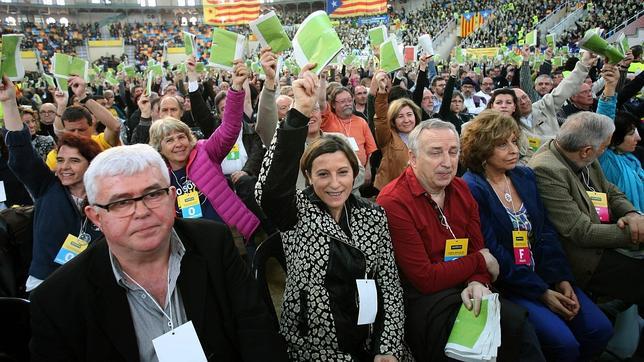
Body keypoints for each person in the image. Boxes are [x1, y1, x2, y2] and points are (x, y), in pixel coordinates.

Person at [29, 143, 287, 361]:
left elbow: (256, 330)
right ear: (95, 217)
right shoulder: (57, 299)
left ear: (172, 197)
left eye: (153, 194)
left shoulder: (213, 243)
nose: (141, 212)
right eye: (121, 202)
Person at [256, 65, 404, 361]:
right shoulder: (295, 211)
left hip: (369, 338)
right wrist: (297, 113)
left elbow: (389, 284)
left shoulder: (373, 216)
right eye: (323, 174)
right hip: (314, 345)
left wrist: (387, 348)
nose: (335, 184)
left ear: (355, 174)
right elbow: (269, 191)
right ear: (309, 177)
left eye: (343, 173)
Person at [377, 119, 544, 361]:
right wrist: (479, 262)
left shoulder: (461, 188)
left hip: (468, 286)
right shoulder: (394, 201)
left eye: (453, 152)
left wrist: (478, 281)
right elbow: (426, 278)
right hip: (427, 301)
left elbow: (478, 245)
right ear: (412, 158)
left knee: (520, 333)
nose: (447, 162)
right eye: (435, 153)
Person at [461, 110, 612, 362]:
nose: (513, 149)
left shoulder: (524, 175)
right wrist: (542, 292)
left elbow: (545, 233)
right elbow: (494, 251)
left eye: (513, 140)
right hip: (509, 285)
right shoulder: (472, 187)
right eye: (502, 144)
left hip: (545, 274)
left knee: (599, 329)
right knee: (564, 345)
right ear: (481, 149)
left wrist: (561, 278)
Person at [0, 76, 104, 291]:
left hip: (90, 287)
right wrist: (9, 101)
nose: (64, 167)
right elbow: (21, 153)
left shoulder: (105, 197)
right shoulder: (47, 186)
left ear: (91, 164)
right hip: (45, 285)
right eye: (60, 160)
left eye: (74, 161)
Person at [529, 111, 644, 304]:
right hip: (586, 257)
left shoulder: (580, 152)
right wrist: (636, 233)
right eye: (605, 147)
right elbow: (581, 232)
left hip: (606, 232)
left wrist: (631, 214)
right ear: (586, 151)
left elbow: (610, 190)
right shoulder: (546, 170)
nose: (605, 151)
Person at [148, 61, 260, 242]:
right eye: (169, 140)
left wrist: (236, 87)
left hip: (231, 235)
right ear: (159, 147)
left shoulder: (204, 151)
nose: (178, 143)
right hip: (193, 245)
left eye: (181, 137)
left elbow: (230, 128)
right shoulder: (158, 175)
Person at [45, 75, 122, 170]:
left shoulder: (100, 142)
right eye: (72, 130)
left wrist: (83, 96)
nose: (76, 134)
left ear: (92, 126)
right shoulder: (55, 156)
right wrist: (61, 105)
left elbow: (115, 127)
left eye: (81, 129)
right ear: (64, 131)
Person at [319, 75, 377, 185]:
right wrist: (322, 79)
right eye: (342, 101)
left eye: (350, 100)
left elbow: (369, 150)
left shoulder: (361, 121)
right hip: (335, 178)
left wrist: (368, 169)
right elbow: (321, 102)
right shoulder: (328, 119)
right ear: (334, 105)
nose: (347, 104)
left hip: (359, 175)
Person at [373, 71, 420, 190]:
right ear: (393, 120)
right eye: (400, 116)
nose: (406, 120)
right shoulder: (388, 138)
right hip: (394, 192)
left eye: (409, 114)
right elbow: (381, 117)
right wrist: (382, 91)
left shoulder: (423, 136)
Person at [436, 64, 472, 134]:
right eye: (454, 101)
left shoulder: (465, 117)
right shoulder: (445, 115)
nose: (457, 104)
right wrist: (453, 75)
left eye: (460, 101)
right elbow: (447, 96)